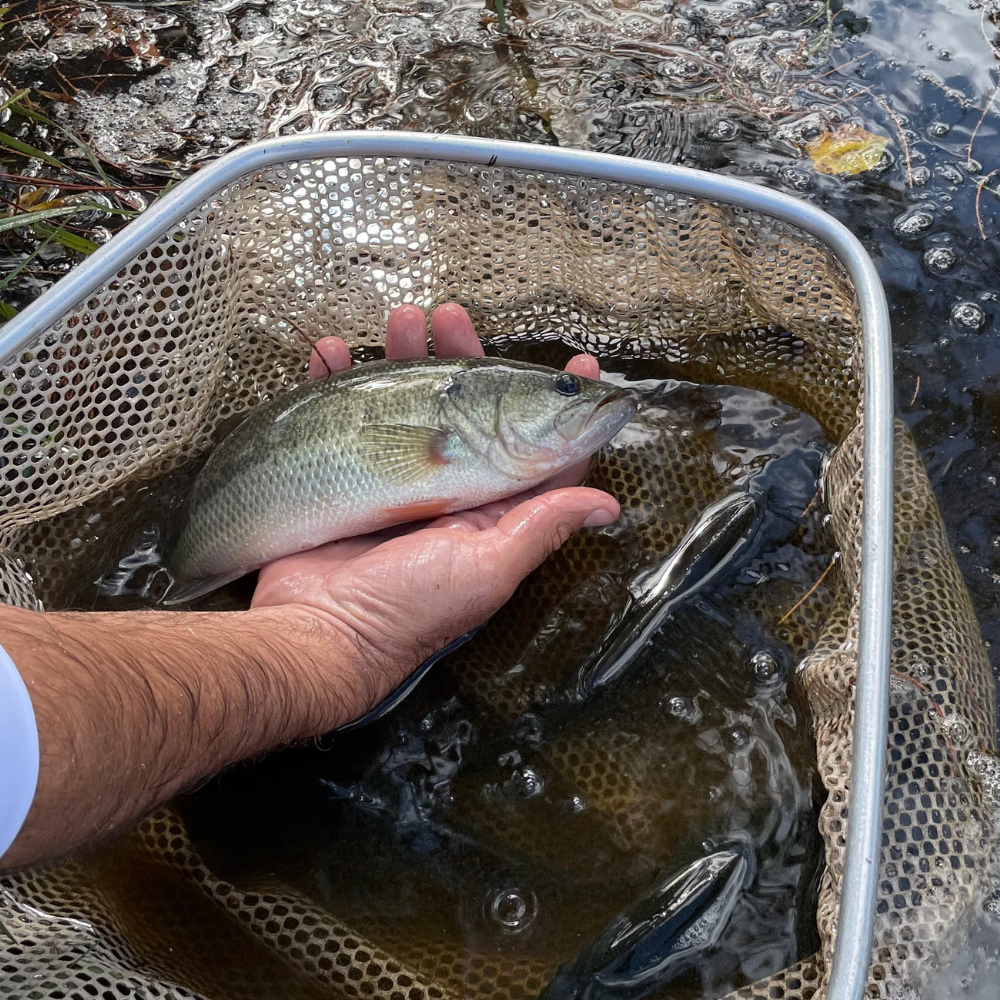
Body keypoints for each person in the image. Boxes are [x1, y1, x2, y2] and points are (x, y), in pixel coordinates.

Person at [0, 303, 620, 873]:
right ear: (473, 404)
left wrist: (331, 638)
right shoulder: (447, 442)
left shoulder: (466, 443)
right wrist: (331, 642)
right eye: (563, 388)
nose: (581, 393)